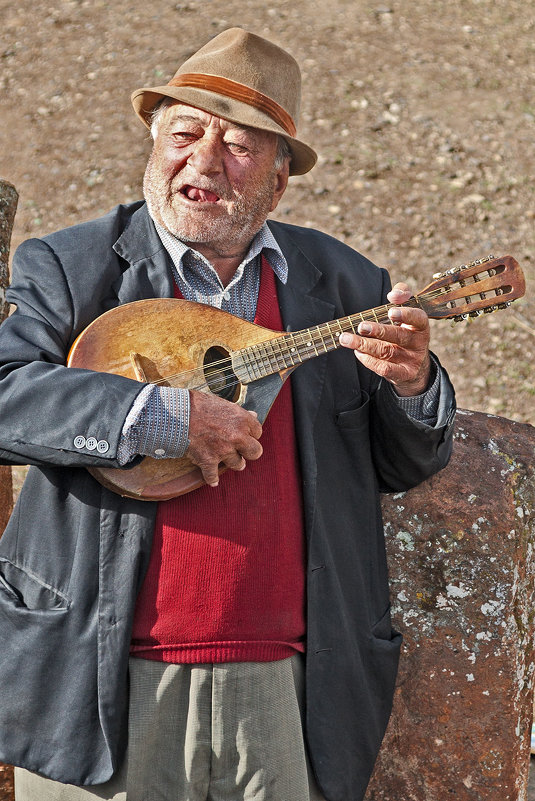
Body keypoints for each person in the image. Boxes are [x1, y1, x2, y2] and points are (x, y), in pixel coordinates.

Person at [0, 27, 455, 801]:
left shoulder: (344, 282)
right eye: (185, 132)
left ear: (278, 182)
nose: (204, 160)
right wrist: (157, 415)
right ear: (155, 141)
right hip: (96, 684)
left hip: (291, 688)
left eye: (239, 146)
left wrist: (412, 386)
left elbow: (404, 460)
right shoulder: (70, 266)